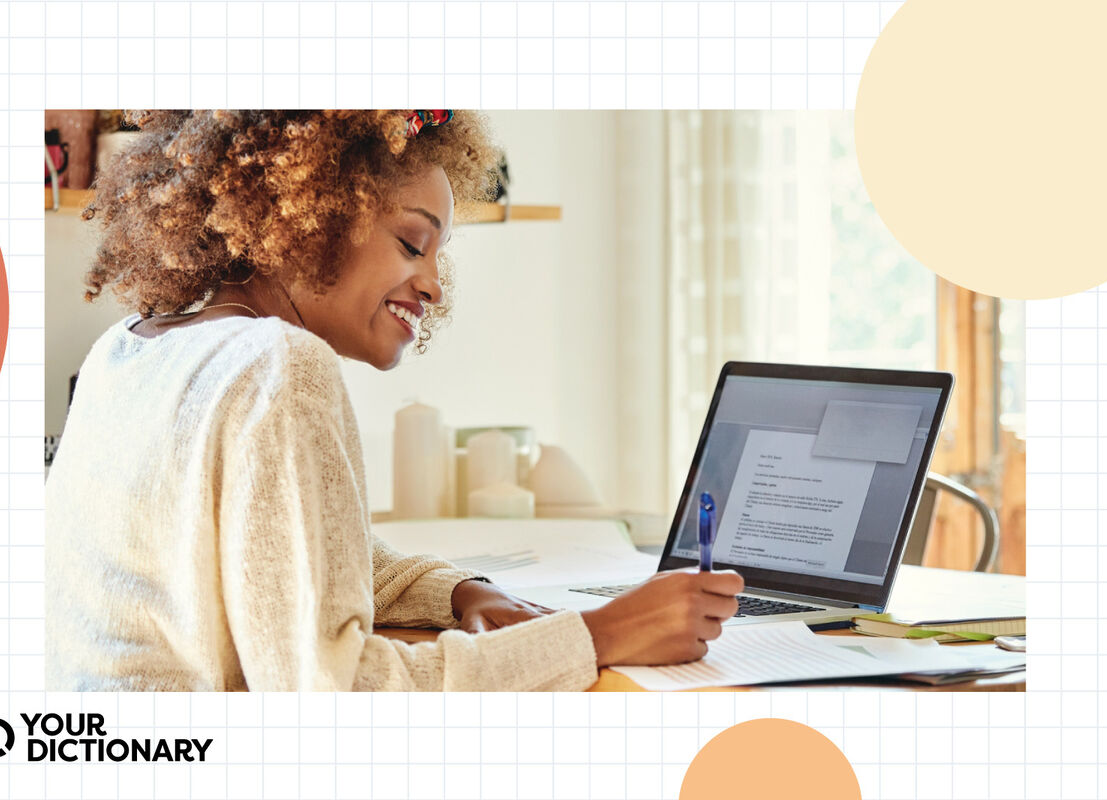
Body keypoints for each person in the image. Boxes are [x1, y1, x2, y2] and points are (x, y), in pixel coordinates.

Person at [45, 110, 744, 691]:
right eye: (414, 242)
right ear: (307, 217)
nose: (434, 285)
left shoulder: (127, 351)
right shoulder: (279, 366)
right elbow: (336, 693)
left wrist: (458, 592)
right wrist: (600, 633)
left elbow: (291, 553)